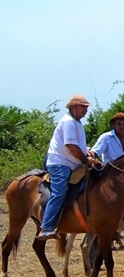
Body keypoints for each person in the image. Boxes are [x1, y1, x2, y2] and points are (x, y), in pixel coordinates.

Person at [36, 95, 97, 241]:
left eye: (87, 107)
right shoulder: (68, 122)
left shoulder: (77, 123)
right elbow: (70, 146)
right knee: (60, 191)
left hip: (73, 163)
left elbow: (78, 145)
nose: (86, 110)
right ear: (73, 107)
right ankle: (46, 227)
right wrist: (86, 160)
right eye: (83, 106)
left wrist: (87, 151)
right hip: (60, 163)